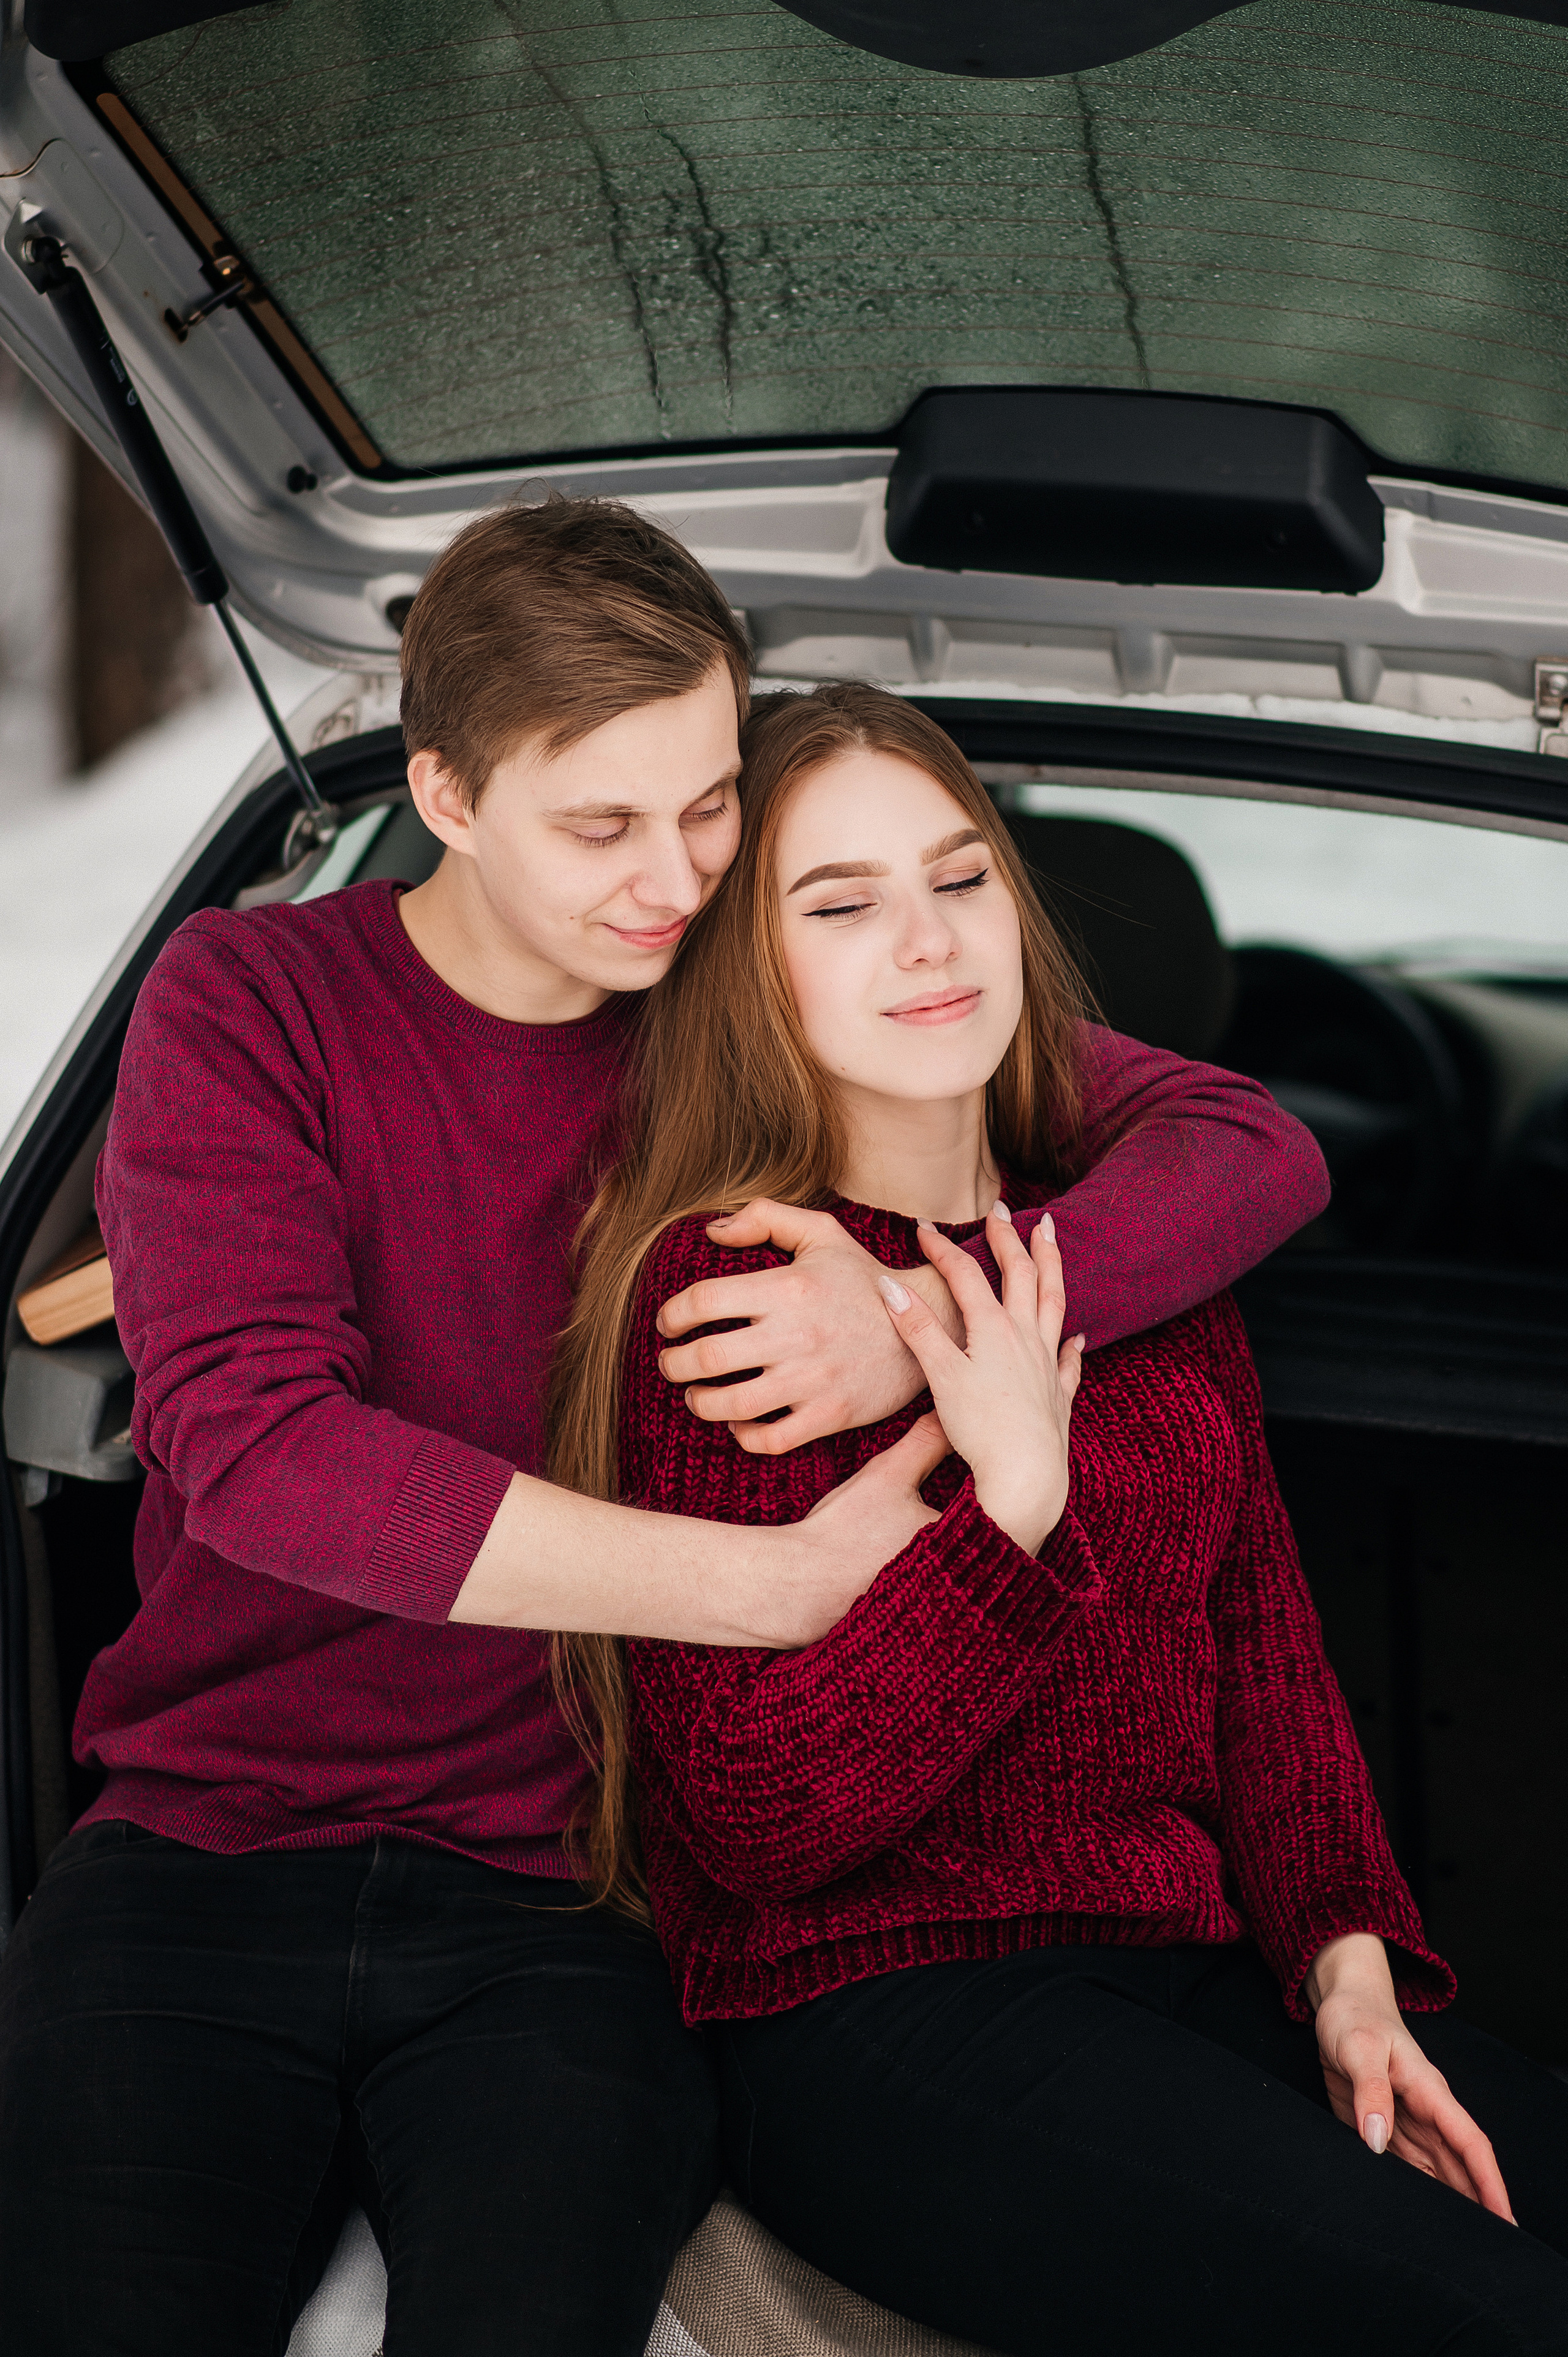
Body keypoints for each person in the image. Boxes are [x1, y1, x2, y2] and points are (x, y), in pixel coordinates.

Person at [0, 502, 1330, 2357]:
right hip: (202, 1856)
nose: (676, 874)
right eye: (603, 825)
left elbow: (1247, 1146)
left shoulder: (749, 986)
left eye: (710, 802)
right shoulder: (259, 999)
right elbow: (260, 1447)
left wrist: (913, 1312)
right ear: (448, 797)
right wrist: (769, 1585)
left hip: (581, 1900)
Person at [552, 679, 1568, 2356]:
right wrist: (1009, 1508)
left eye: (961, 879)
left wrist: (1347, 1959)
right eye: (843, 904)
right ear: (754, 970)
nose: (931, 942)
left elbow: (1263, 1650)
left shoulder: (1135, 1254)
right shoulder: (737, 1293)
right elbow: (755, 1823)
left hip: (1182, 1967)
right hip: (878, 2018)